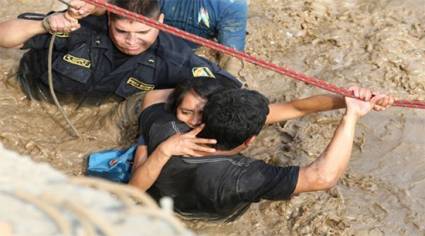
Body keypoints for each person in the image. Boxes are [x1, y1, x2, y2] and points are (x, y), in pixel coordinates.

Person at [129, 86, 394, 220]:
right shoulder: (246, 177)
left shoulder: (165, 128)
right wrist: (351, 116)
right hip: (215, 217)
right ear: (250, 141)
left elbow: (151, 97)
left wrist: (346, 98)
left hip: (159, 202)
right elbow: (322, 178)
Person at [0, 0, 241, 125]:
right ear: (109, 20)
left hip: (92, 110)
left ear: (160, 22)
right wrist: (43, 25)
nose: (132, 41)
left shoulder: (174, 59)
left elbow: (229, 88)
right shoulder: (78, 27)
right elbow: (4, 36)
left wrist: (173, 97)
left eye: (143, 32)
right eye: (122, 31)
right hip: (30, 91)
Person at [160, 0, 248, 76]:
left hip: (190, 58)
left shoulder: (233, 4)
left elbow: (232, 58)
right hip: (154, 47)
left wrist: (227, 89)